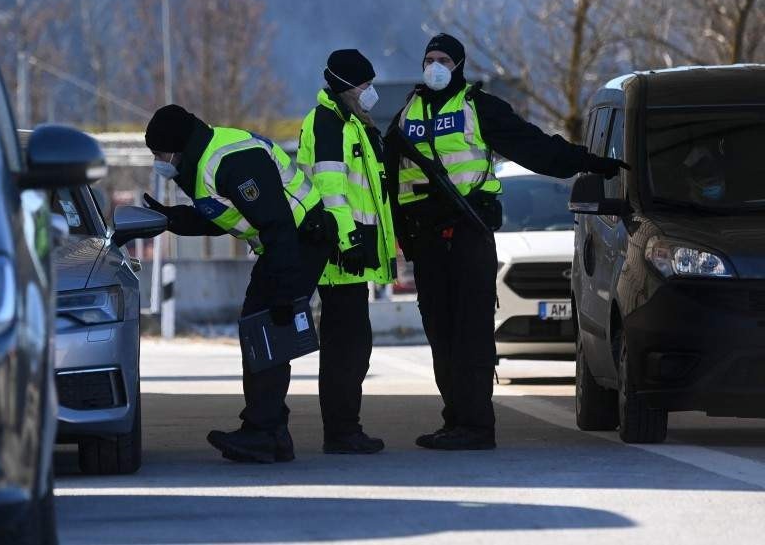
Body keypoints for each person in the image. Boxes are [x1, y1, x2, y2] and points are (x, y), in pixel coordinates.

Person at [384, 33, 627, 451]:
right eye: (429, 59)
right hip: (425, 241)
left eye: (443, 58)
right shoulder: (406, 113)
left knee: (472, 332)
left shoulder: (479, 107)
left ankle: (477, 426)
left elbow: (534, 147)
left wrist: (590, 163)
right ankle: (455, 420)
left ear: (458, 65)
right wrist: (398, 238)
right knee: (440, 333)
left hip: (466, 234)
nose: (434, 66)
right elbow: (390, 177)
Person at [142, 104, 336, 463]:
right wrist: (172, 218)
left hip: (298, 240)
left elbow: (277, 224)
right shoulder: (205, 163)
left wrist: (283, 291)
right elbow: (224, 217)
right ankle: (273, 433)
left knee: (265, 331)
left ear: (176, 147)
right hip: (286, 243)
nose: (158, 161)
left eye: (158, 154)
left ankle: (264, 432)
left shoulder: (232, 160)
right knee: (259, 330)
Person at [296, 49, 397, 454]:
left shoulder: (350, 122)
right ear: (347, 85)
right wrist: (348, 240)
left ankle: (344, 427)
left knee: (353, 347)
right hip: (340, 257)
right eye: (366, 85)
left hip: (351, 255)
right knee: (346, 350)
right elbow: (330, 189)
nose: (370, 92)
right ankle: (341, 431)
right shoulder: (328, 123)